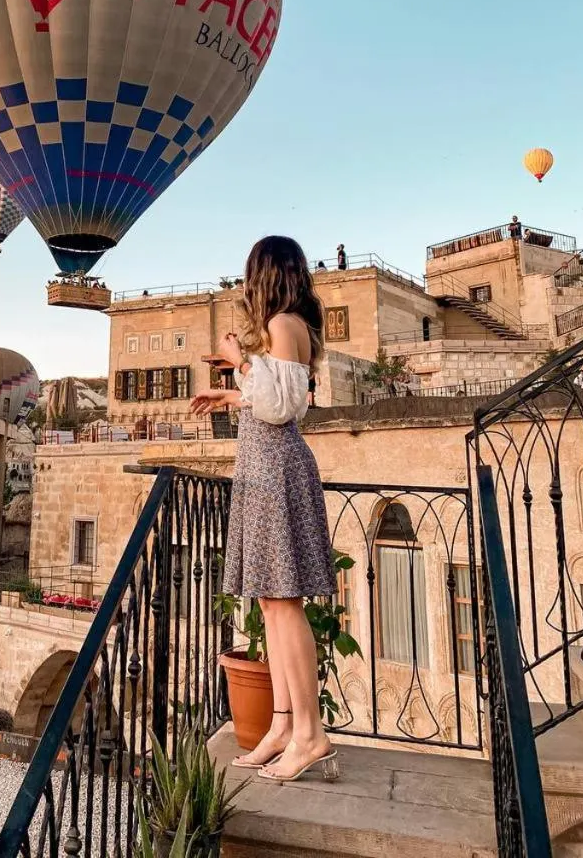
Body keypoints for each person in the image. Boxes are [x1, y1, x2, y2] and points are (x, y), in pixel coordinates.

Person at [191, 235, 338, 784]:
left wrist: (236, 361)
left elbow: (280, 408)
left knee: (284, 604)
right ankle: (281, 724)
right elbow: (281, 395)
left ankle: (310, 734)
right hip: (266, 468)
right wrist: (231, 395)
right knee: (274, 606)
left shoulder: (281, 324)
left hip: (274, 469)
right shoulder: (289, 324)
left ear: (266, 276)